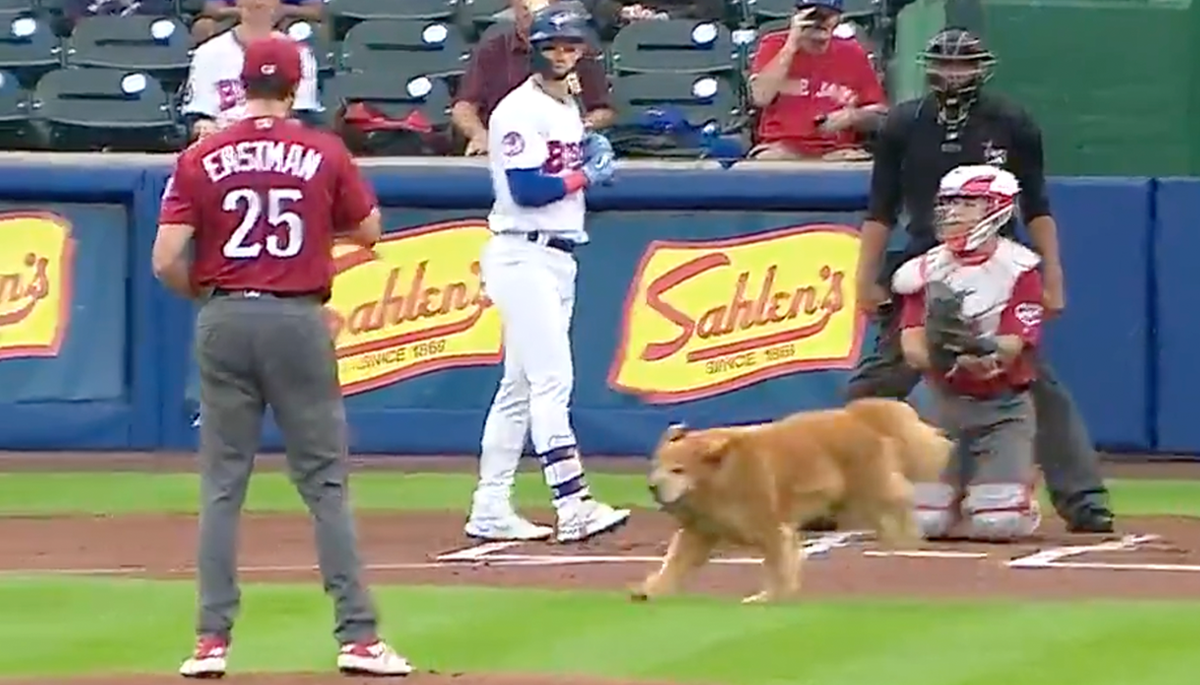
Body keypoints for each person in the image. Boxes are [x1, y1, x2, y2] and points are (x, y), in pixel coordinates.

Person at [152, 36, 411, 678]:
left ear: (239, 88)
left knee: (221, 487)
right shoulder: (324, 151)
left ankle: (211, 643)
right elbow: (371, 231)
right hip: (297, 317)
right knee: (324, 484)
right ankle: (358, 638)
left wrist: (211, 301)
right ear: (297, 90)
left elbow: (164, 259)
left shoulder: (202, 153)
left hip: (225, 312)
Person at [832, 27, 1114, 534]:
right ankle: (832, 495)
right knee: (874, 385)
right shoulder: (903, 123)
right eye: (943, 65)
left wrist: (1052, 273)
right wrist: (864, 277)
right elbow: (879, 208)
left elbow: (1038, 205)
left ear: (982, 69)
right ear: (927, 68)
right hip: (923, 263)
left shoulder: (1011, 122)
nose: (952, 75)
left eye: (963, 66)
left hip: (995, 266)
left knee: (1034, 385)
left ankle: (1083, 499)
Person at [462, 3, 630, 543]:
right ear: (535, 51)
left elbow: (561, 173)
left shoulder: (566, 109)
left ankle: (489, 504)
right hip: (521, 252)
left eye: (570, 45)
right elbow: (528, 189)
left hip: (556, 255)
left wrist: (584, 153)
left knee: (519, 387)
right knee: (552, 381)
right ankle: (572, 502)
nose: (562, 54)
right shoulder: (518, 109)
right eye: (553, 46)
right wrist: (585, 174)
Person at [894, 165, 1043, 540]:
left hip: (1002, 405)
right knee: (922, 523)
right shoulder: (923, 269)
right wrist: (946, 359)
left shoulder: (1020, 268)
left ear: (997, 208)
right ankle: (951, 491)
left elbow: (1013, 344)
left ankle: (1016, 491)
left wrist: (981, 352)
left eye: (968, 202)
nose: (954, 212)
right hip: (939, 402)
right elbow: (912, 347)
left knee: (999, 523)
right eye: (949, 203)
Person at [451, 0, 614, 157]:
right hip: (501, 146)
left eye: (536, 11)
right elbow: (464, 106)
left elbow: (604, 111)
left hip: (559, 148)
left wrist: (577, 127)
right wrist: (479, 135)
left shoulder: (576, 48)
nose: (528, 16)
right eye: (524, 9)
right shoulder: (493, 47)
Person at [747, 0, 886, 162]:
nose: (819, 22)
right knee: (772, 159)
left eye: (827, 16)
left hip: (837, 149)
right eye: (813, 16)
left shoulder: (852, 52)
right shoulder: (774, 44)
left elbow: (880, 112)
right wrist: (792, 44)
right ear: (796, 16)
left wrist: (850, 117)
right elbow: (760, 97)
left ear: (838, 19)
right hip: (782, 146)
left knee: (854, 162)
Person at [181, 0, 322, 139]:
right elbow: (197, 116)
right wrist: (203, 127)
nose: (257, 3)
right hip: (226, 147)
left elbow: (303, 117)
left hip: (281, 147)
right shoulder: (208, 53)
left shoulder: (299, 53)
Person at [192, 0, 323, 43]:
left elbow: (317, 12)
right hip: (237, 25)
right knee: (203, 26)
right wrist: (242, 13)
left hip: (283, 25)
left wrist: (285, 10)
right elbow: (212, 9)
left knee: (311, 29)